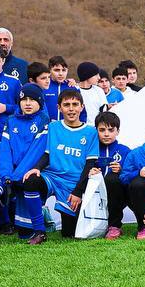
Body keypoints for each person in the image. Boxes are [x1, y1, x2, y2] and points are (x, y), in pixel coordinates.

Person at [19, 87, 97, 243]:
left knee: (69, 233)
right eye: (66, 105)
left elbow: (90, 164)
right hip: (52, 177)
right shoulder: (53, 127)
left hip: (73, 183)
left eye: (75, 104)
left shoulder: (91, 132)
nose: (71, 109)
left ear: (82, 107)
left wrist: (77, 192)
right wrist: (37, 168)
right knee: (31, 181)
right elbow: (47, 154)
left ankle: (48, 214)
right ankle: (39, 231)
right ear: (59, 108)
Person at [0, 83, 51, 241]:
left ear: (40, 102)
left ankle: (43, 220)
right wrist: (6, 174)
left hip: (29, 173)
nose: (27, 103)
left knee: (28, 226)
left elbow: (36, 152)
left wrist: (16, 176)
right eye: (24, 99)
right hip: (13, 174)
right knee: (23, 234)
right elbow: (5, 150)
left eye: (32, 100)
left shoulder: (43, 120)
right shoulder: (11, 120)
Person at [69, 110, 129, 240]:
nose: (106, 134)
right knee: (70, 231)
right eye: (102, 130)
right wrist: (89, 172)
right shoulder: (90, 149)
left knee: (113, 179)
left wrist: (121, 170)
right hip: (94, 195)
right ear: (96, 130)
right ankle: (92, 225)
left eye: (111, 130)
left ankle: (114, 226)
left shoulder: (125, 151)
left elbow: (131, 174)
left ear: (118, 131)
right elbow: (78, 169)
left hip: (117, 195)